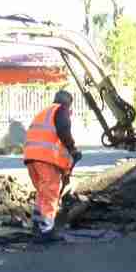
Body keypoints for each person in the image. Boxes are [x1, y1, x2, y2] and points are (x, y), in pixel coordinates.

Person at [23, 90, 82, 242]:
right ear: (67, 104)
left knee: (42, 192)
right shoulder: (61, 111)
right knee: (50, 193)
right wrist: (73, 148)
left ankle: (37, 225)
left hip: (31, 158)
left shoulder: (44, 112)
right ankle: (47, 230)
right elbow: (64, 132)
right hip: (44, 159)